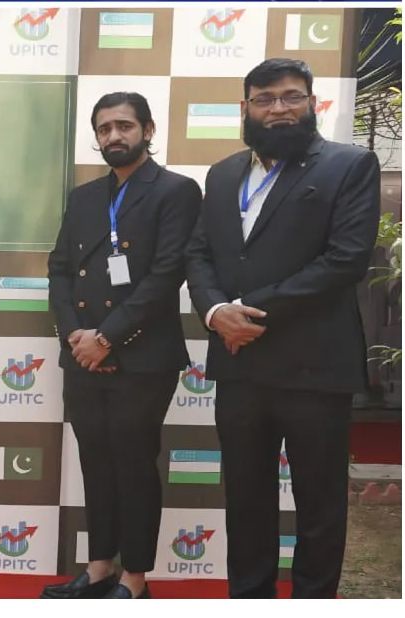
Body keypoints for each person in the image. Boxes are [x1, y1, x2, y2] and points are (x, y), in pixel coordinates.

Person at [186, 58, 380, 599]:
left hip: (314, 368)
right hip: (240, 364)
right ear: (245, 107)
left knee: (319, 505)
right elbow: (199, 253)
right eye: (265, 99)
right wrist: (214, 312)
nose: (278, 108)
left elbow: (344, 260)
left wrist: (246, 310)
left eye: (291, 96)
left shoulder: (349, 165)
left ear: (312, 103)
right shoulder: (223, 174)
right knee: (245, 500)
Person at [43, 92, 202, 599]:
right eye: (104, 128)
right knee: (96, 462)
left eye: (124, 126)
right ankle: (98, 569)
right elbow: (59, 269)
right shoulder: (85, 197)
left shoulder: (176, 191)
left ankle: (135, 577)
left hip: (142, 356)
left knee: (134, 465)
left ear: (148, 130)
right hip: (83, 354)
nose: (114, 135)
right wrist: (76, 335)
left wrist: (108, 338)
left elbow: (167, 274)